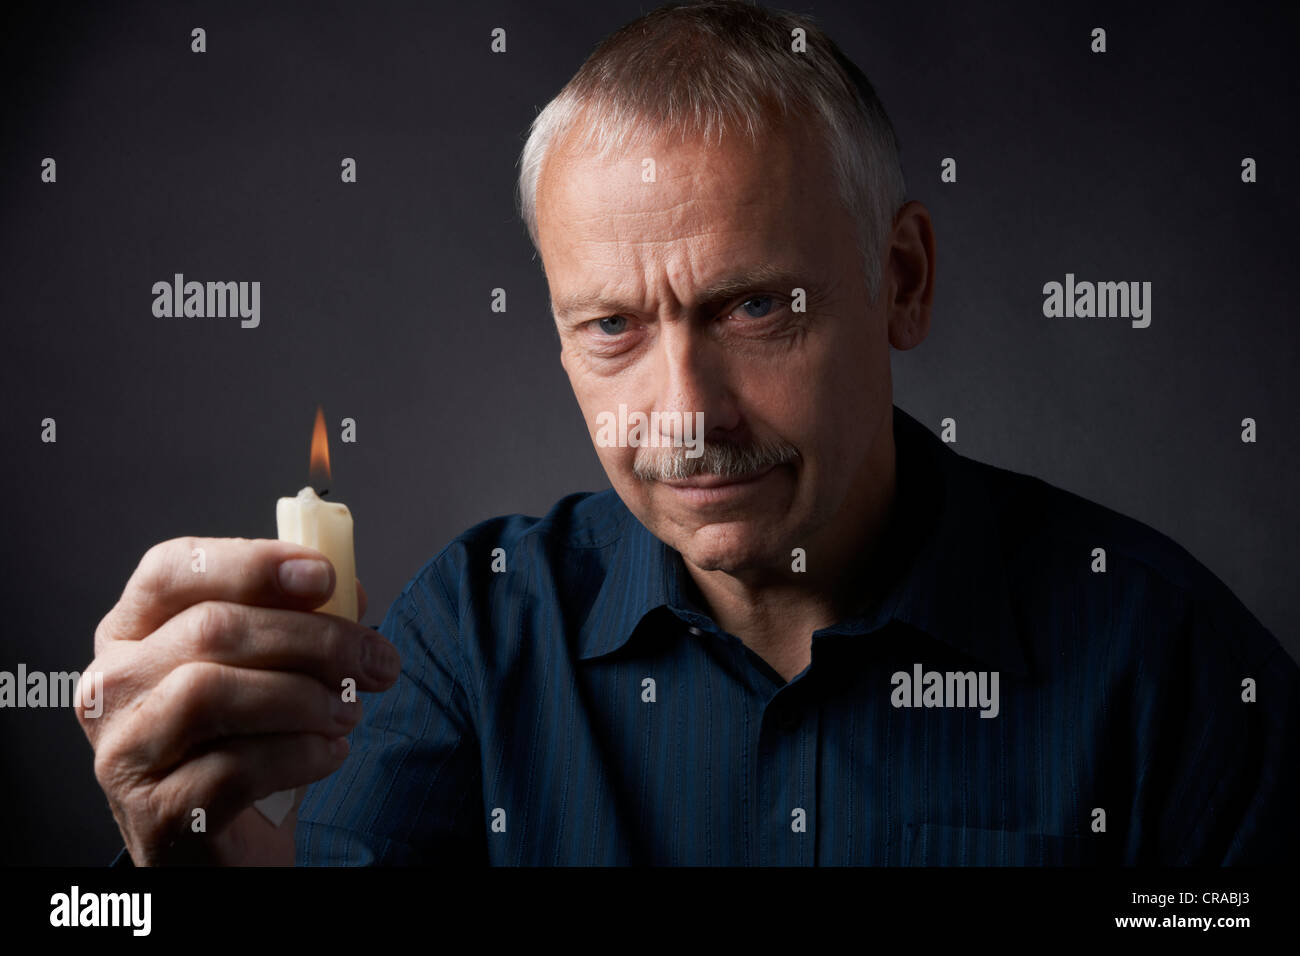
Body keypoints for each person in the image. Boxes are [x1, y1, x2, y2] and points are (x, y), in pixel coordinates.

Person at [84, 0, 1298, 866]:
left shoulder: (1173, 671)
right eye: (611, 324)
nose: (686, 416)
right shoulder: (470, 637)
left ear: (903, 279)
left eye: (756, 305)